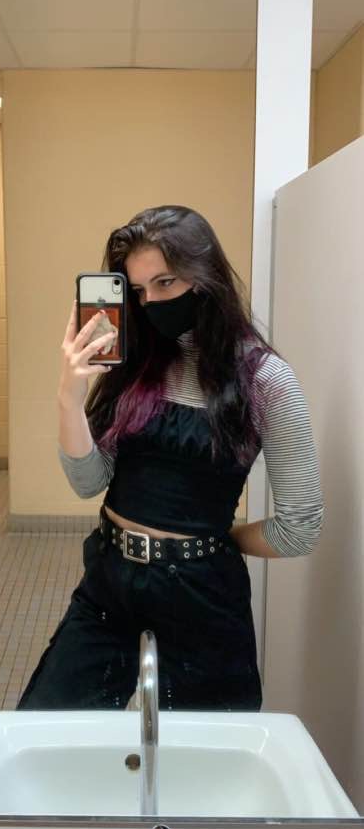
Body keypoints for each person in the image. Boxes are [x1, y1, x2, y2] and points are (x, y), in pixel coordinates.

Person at [17, 205, 324, 712]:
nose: (152, 302)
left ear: (206, 276)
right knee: (48, 734)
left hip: (201, 595)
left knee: (205, 753)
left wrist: (214, 543)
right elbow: (88, 481)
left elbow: (300, 528)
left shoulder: (266, 380)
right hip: (110, 582)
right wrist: (68, 396)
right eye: (139, 291)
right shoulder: (135, 361)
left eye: (165, 282)